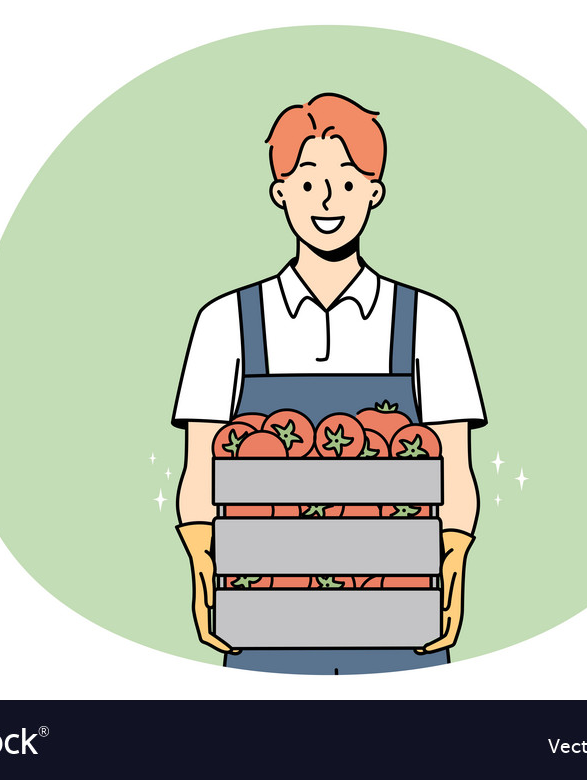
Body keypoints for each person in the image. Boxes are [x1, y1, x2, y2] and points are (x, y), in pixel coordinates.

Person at [172, 93, 486, 674]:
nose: (327, 200)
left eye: (347, 181)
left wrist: (455, 552)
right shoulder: (225, 323)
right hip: (264, 613)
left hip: (401, 614)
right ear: (280, 192)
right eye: (308, 180)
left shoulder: (430, 322)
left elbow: (454, 465)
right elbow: (200, 466)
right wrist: (199, 556)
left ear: (375, 192)